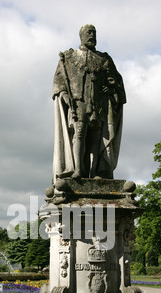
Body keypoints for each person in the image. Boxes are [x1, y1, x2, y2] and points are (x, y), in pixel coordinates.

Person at [52, 25, 126, 181]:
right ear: (81, 36)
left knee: (96, 137)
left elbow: (117, 82)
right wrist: (65, 97)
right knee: (79, 134)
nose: (92, 35)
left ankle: (95, 172)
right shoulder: (69, 57)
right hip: (79, 103)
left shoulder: (104, 59)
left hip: (98, 105)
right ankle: (78, 169)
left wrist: (111, 90)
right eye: (89, 33)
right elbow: (59, 83)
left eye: (94, 33)